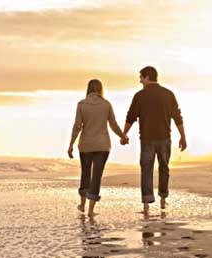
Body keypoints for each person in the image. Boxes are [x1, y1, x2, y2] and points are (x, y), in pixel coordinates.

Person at [122, 66, 187, 214]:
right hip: (164, 138)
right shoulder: (168, 94)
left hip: (146, 139)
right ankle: (163, 200)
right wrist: (183, 136)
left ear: (147, 77)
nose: (140, 81)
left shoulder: (139, 96)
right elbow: (177, 116)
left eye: (141, 77)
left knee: (146, 170)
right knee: (164, 168)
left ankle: (146, 204)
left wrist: (124, 134)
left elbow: (131, 117)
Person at [68, 79, 129, 216]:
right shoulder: (106, 105)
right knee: (96, 176)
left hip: (86, 145)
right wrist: (123, 136)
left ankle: (82, 205)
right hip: (102, 145)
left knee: (85, 173)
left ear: (88, 89)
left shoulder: (81, 105)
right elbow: (113, 125)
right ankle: (91, 210)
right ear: (100, 89)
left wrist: (71, 144)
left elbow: (77, 126)